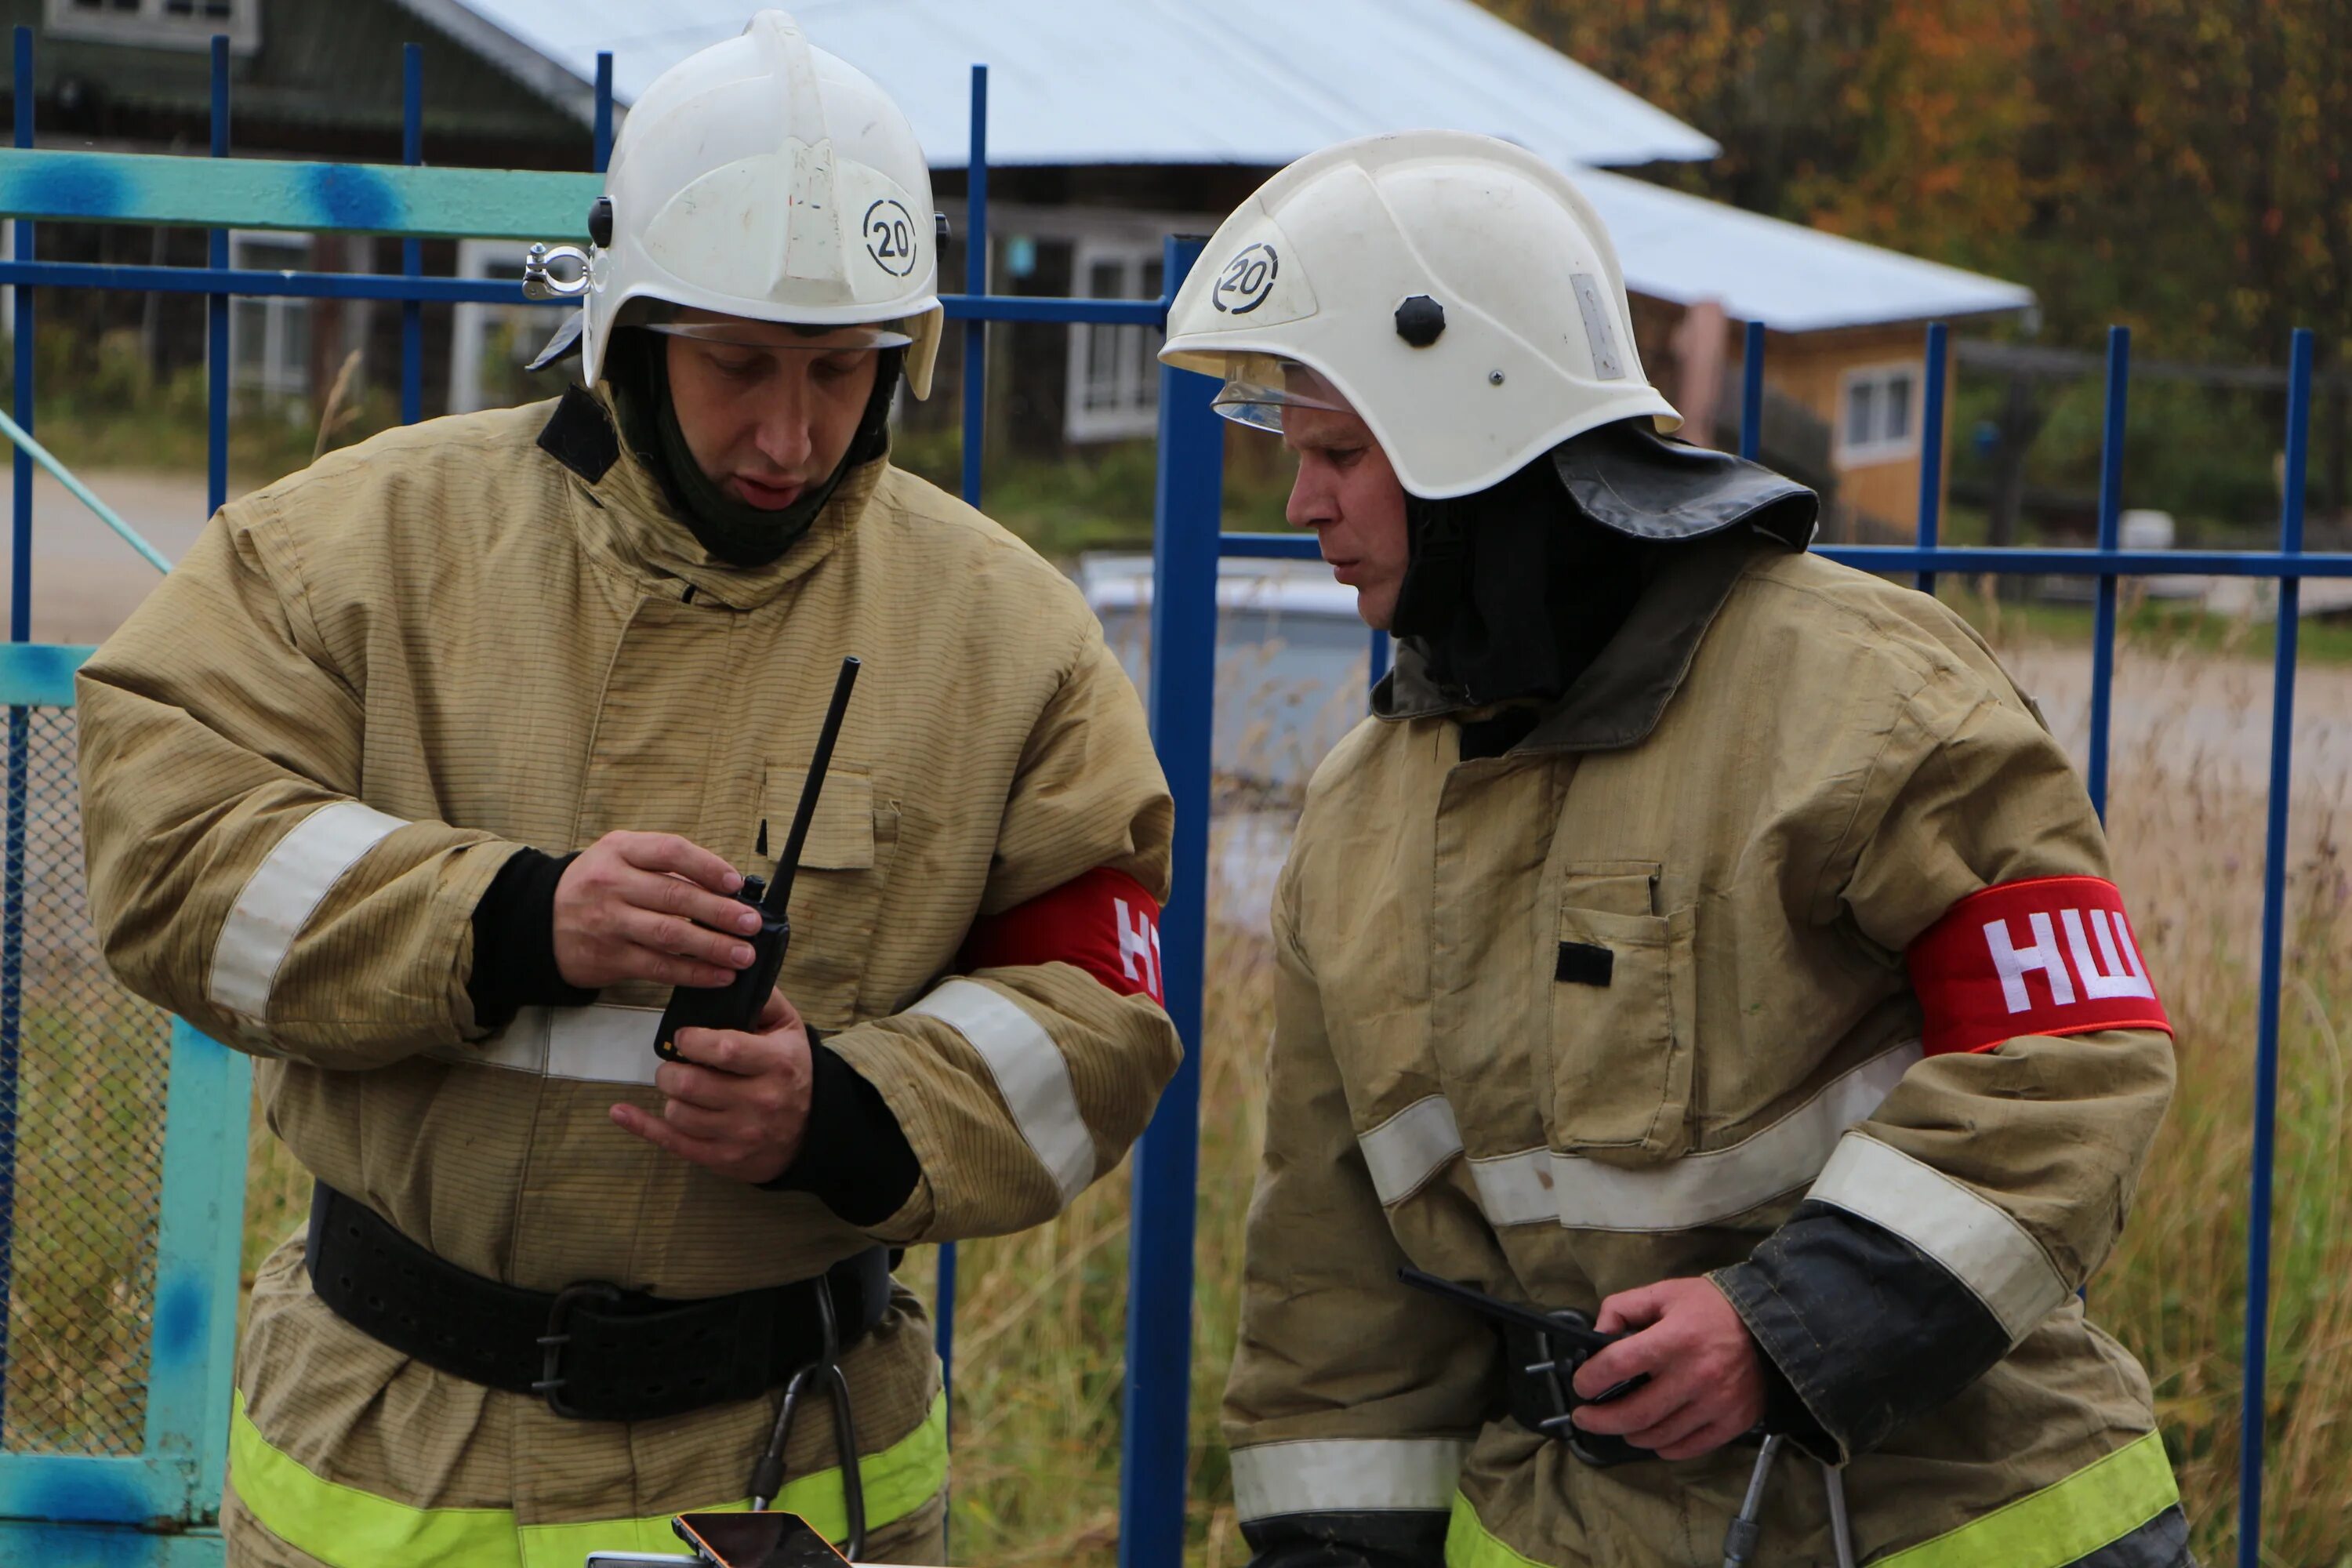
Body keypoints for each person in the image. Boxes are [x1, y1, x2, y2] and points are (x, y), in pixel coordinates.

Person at [76, 13, 1180, 1566]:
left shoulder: (1013, 641)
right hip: (386, 1459)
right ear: (626, 325)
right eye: (738, 364)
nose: (790, 433)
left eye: (841, 371)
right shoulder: (357, 550)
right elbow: (161, 842)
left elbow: (1101, 1016)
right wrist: (510, 917)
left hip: (790, 1472)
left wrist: (847, 1109)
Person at [1161, 131, 2190, 1568]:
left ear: (1481, 440)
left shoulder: (1867, 694)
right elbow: (1340, 1291)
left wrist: (1787, 1328)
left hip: (1960, 1522)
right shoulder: (1358, 817)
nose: (1302, 504)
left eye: (1340, 450)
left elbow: (2069, 1060)